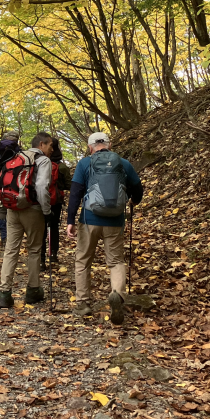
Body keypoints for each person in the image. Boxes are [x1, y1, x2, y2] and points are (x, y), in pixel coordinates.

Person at [66, 132, 143, 325]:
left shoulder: (85, 163)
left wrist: (70, 220)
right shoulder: (123, 163)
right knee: (115, 261)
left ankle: (83, 303)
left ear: (90, 147)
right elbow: (138, 188)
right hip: (115, 220)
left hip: (89, 219)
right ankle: (117, 295)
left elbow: (75, 193)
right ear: (109, 144)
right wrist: (134, 201)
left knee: (83, 260)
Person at [0, 132, 55, 308]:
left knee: (10, 250)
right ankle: (33, 290)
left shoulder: (17, 157)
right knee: (34, 250)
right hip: (33, 209)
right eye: (50, 145)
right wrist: (47, 211)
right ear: (41, 144)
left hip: (13, 209)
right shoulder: (43, 160)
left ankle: (4, 293)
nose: (52, 149)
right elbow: (41, 187)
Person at [41, 136, 71, 270]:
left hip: (41, 200)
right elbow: (69, 185)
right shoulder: (62, 167)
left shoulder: (40, 164)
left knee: (41, 229)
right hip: (56, 201)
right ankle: (53, 254)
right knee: (54, 227)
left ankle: (41, 260)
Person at [0, 130, 21, 245]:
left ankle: (4, 237)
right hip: (15, 183)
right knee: (13, 207)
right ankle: (13, 236)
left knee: (0, 209)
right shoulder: (20, 151)